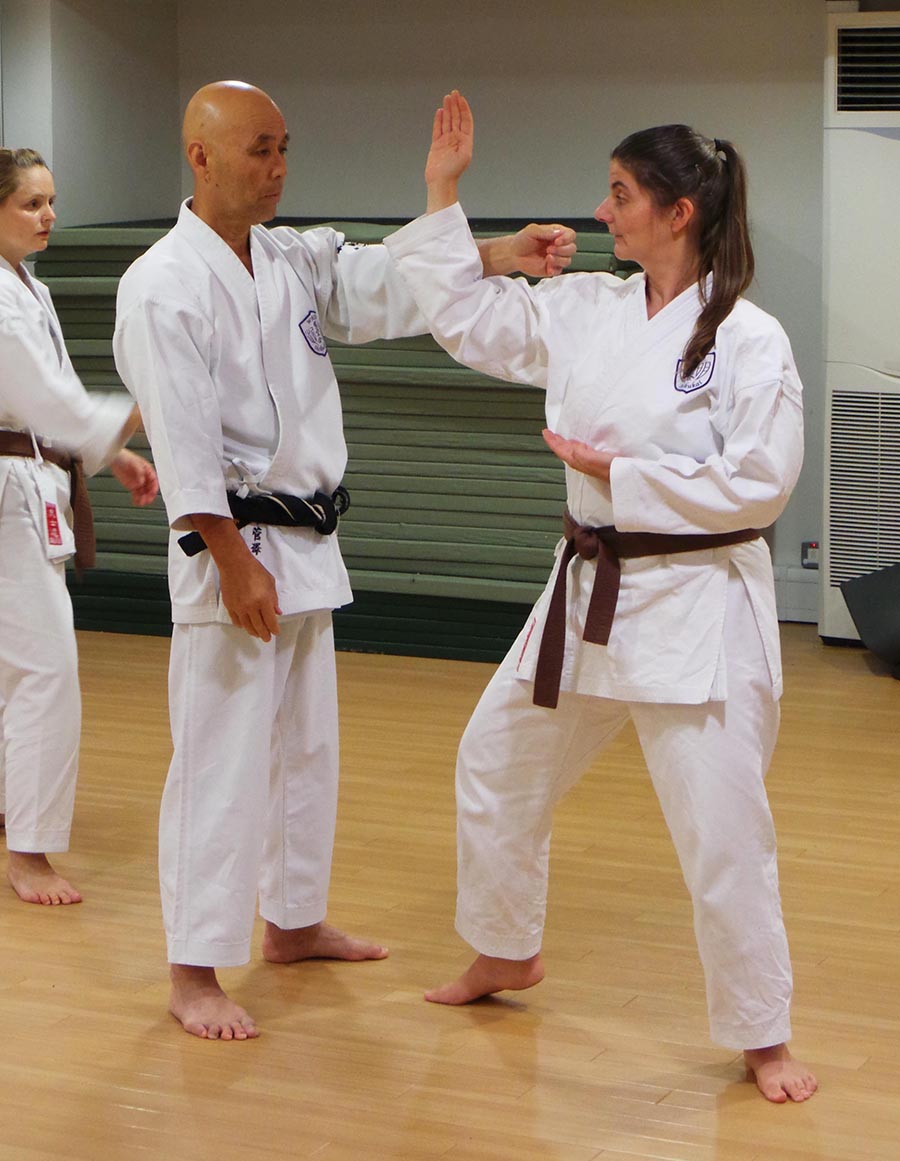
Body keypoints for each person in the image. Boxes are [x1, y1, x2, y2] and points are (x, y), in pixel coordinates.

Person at [112, 80, 575, 1041]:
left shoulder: (285, 256)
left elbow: (378, 282)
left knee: (305, 748)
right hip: (233, 545)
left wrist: (497, 255)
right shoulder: (163, 283)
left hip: (307, 541)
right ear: (200, 156)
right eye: (259, 150)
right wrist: (230, 558)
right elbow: (183, 437)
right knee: (220, 758)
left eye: (284, 147)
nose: (279, 168)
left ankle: (292, 921)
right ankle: (192, 968)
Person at [382, 92, 818, 1103]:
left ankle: (764, 1035)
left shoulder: (749, 337)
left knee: (722, 831)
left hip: (696, 600)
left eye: (620, 194)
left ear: (679, 212)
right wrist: (443, 192)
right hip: (588, 591)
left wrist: (620, 474)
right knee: (495, 759)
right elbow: (468, 323)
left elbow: (763, 481)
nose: (601, 210)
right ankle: (504, 947)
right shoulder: (590, 308)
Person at [0, 147, 158, 906]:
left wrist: (112, 453)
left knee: (16, 668)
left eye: (51, 201)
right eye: (31, 203)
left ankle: (15, 814)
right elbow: (48, 402)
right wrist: (150, 401)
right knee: (46, 667)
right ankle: (28, 853)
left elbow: (48, 406)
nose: (49, 215)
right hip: (8, 495)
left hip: (31, 476)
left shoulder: (29, 287)